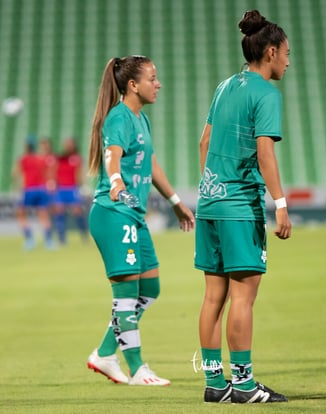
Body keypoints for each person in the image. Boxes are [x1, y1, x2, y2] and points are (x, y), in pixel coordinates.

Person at [195, 10, 292, 404]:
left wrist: (210, 189)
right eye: (286, 53)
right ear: (270, 52)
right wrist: (281, 205)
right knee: (243, 299)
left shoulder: (224, 87)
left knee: (212, 299)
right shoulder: (266, 93)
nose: (288, 60)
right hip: (239, 207)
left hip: (210, 204)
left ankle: (215, 384)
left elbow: (204, 142)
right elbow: (265, 153)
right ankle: (246, 385)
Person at [86, 55, 195, 386]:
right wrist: (116, 181)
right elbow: (111, 156)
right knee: (126, 294)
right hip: (113, 213)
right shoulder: (118, 119)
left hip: (132, 215)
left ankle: (104, 354)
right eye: (152, 78)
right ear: (133, 85)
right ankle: (136, 368)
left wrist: (175, 202)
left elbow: (151, 165)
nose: (158, 83)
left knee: (150, 287)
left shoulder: (140, 119)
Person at [12, 137, 55, 250]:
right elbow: (48, 173)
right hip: (41, 189)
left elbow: (15, 174)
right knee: (43, 214)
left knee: (21, 213)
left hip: (29, 189)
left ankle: (29, 239)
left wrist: (17, 186)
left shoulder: (23, 159)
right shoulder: (41, 158)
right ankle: (49, 241)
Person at [54, 137, 88, 244]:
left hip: (73, 188)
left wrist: (82, 186)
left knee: (77, 211)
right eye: (66, 144)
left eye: (70, 144)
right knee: (59, 211)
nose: (68, 146)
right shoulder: (60, 158)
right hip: (60, 188)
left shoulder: (77, 158)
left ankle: (84, 235)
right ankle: (62, 238)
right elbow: (55, 171)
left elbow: (79, 173)